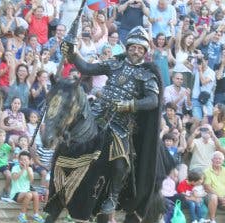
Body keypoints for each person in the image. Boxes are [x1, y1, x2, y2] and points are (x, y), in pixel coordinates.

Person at [61, 26, 169, 221]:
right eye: (133, 47)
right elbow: (87, 68)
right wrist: (73, 52)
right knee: (73, 133)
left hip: (121, 122)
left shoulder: (146, 75)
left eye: (140, 49)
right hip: (98, 112)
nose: (136, 51)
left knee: (120, 162)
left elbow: (152, 100)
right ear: (127, 48)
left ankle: (112, 196)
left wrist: (130, 105)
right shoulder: (114, 64)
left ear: (145, 52)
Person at [10, 150, 45, 223]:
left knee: (35, 194)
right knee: (29, 194)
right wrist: (23, 169)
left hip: (26, 193)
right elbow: (15, 178)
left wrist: (28, 170)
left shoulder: (30, 169)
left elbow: (31, 180)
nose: (23, 161)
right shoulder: (15, 168)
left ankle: (36, 215)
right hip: (16, 194)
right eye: (21, 159)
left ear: (29, 161)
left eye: (25, 160)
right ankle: (22, 215)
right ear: (18, 160)